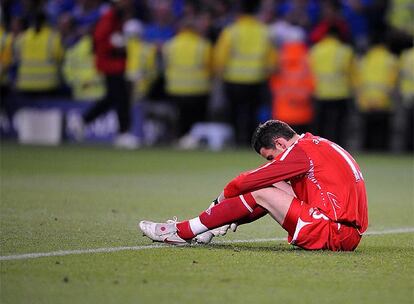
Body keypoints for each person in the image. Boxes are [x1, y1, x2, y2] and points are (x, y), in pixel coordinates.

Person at [139, 120, 368, 251]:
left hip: (334, 232)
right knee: (271, 186)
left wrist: (217, 202)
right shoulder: (317, 144)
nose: (275, 162)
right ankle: (207, 228)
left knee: (259, 188)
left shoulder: (300, 152)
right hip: (344, 230)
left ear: (280, 142)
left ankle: (182, 231)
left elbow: (244, 182)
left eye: (271, 157)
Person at [73, 0, 139, 149]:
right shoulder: (109, 18)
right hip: (110, 65)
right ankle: (123, 134)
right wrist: (114, 43)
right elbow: (99, 38)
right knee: (121, 99)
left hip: (115, 64)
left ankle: (83, 121)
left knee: (112, 98)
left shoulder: (115, 18)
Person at [214, 0, 276, 146]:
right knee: (253, 114)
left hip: (233, 79)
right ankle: (251, 142)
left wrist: (219, 74)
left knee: (234, 113)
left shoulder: (231, 31)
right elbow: (272, 59)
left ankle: (236, 141)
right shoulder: (264, 31)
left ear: (239, 12)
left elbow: (220, 56)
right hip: (257, 79)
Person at [163, 17, 213, 140]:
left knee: (179, 118)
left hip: (175, 88)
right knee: (197, 120)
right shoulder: (203, 45)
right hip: (199, 89)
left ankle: (179, 139)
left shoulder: (170, 45)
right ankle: (195, 140)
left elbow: (165, 65)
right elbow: (211, 67)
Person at [310, 25, 354, 148]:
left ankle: (318, 149)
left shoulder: (315, 50)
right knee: (339, 126)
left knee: (321, 126)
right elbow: (351, 73)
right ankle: (337, 150)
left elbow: (310, 71)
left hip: (320, 92)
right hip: (341, 93)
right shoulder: (345, 51)